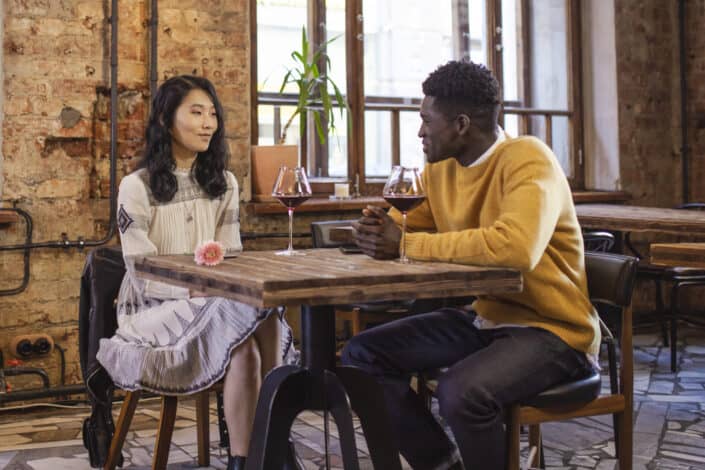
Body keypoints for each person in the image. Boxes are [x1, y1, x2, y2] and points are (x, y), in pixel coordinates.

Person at [342, 60, 599, 470]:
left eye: (427, 120)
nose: (420, 131)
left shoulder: (528, 159)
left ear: (461, 124)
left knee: (461, 391)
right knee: (361, 355)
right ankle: (443, 463)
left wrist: (404, 242)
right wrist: (377, 229)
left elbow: (515, 248)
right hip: (485, 319)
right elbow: (407, 225)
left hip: (554, 331)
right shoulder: (440, 170)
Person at [96, 75, 300, 470]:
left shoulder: (224, 183)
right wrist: (191, 293)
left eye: (212, 114)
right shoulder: (136, 186)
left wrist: (216, 291)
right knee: (241, 336)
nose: (208, 123)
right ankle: (264, 454)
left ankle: (260, 451)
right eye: (196, 112)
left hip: (213, 299)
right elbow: (139, 270)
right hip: (153, 304)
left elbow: (231, 255)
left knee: (262, 317)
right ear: (164, 119)